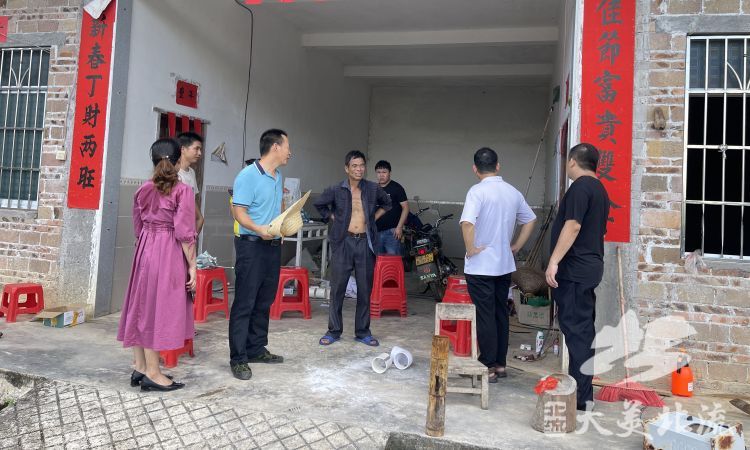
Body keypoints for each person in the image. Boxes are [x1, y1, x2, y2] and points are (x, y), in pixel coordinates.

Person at [117, 138, 196, 392]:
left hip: (145, 247)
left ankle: (140, 366)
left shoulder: (143, 189)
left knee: (141, 304)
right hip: (168, 249)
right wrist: (193, 266)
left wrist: (146, 244)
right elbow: (185, 233)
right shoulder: (182, 191)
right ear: (178, 159)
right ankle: (153, 372)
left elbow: (137, 226)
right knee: (156, 309)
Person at [459, 147, 537, 382]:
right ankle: (500, 365)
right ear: (498, 166)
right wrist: (516, 246)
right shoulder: (512, 192)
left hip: (481, 266)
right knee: (500, 313)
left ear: (475, 169)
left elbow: (467, 224)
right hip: (504, 265)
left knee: (485, 315)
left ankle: (487, 365)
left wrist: (471, 250)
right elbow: (530, 219)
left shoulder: (477, 192)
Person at [545, 143, 610, 411]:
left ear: (573, 161)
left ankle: (582, 398)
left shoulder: (580, 188)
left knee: (577, 333)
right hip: (589, 267)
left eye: (567, 161)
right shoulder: (599, 190)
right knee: (582, 330)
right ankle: (582, 392)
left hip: (575, 270)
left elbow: (573, 227)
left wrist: (553, 261)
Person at [229, 130, 291, 380]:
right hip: (251, 246)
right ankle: (238, 358)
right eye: (287, 147)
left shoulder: (277, 176)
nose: (289, 153)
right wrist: (258, 229)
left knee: (264, 300)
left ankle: (256, 348)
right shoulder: (248, 175)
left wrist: (282, 226)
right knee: (245, 301)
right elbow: (239, 212)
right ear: (275, 147)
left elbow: (277, 206)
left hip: (272, 246)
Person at [314, 151, 391, 347]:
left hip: (365, 242)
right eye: (355, 166)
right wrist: (335, 218)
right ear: (347, 168)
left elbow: (387, 204)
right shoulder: (336, 189)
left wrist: (371, 219)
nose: (359, 169)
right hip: (343, 242)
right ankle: (334, 330)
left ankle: (363, 332)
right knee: (338, 289)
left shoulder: (372, 188)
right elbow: (319, 204)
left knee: (365, 290)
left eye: (362, 165)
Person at [374, 160, 409, 255]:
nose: (381, 175)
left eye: (384, 172)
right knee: (379, 259)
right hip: (376, 232)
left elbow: (405, 208)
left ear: (389, 173)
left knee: (392, 260)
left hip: (392, 232)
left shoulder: (397, 188)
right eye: (378, 172)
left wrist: (399, 227)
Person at [176, 132, 205, 234]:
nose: (199, 153)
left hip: (187, 227)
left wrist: (200, 218)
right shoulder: (173, 173)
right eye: (196, 149)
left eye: (200, 149)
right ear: (183, 149)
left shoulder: (192, 172)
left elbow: (192, 199)